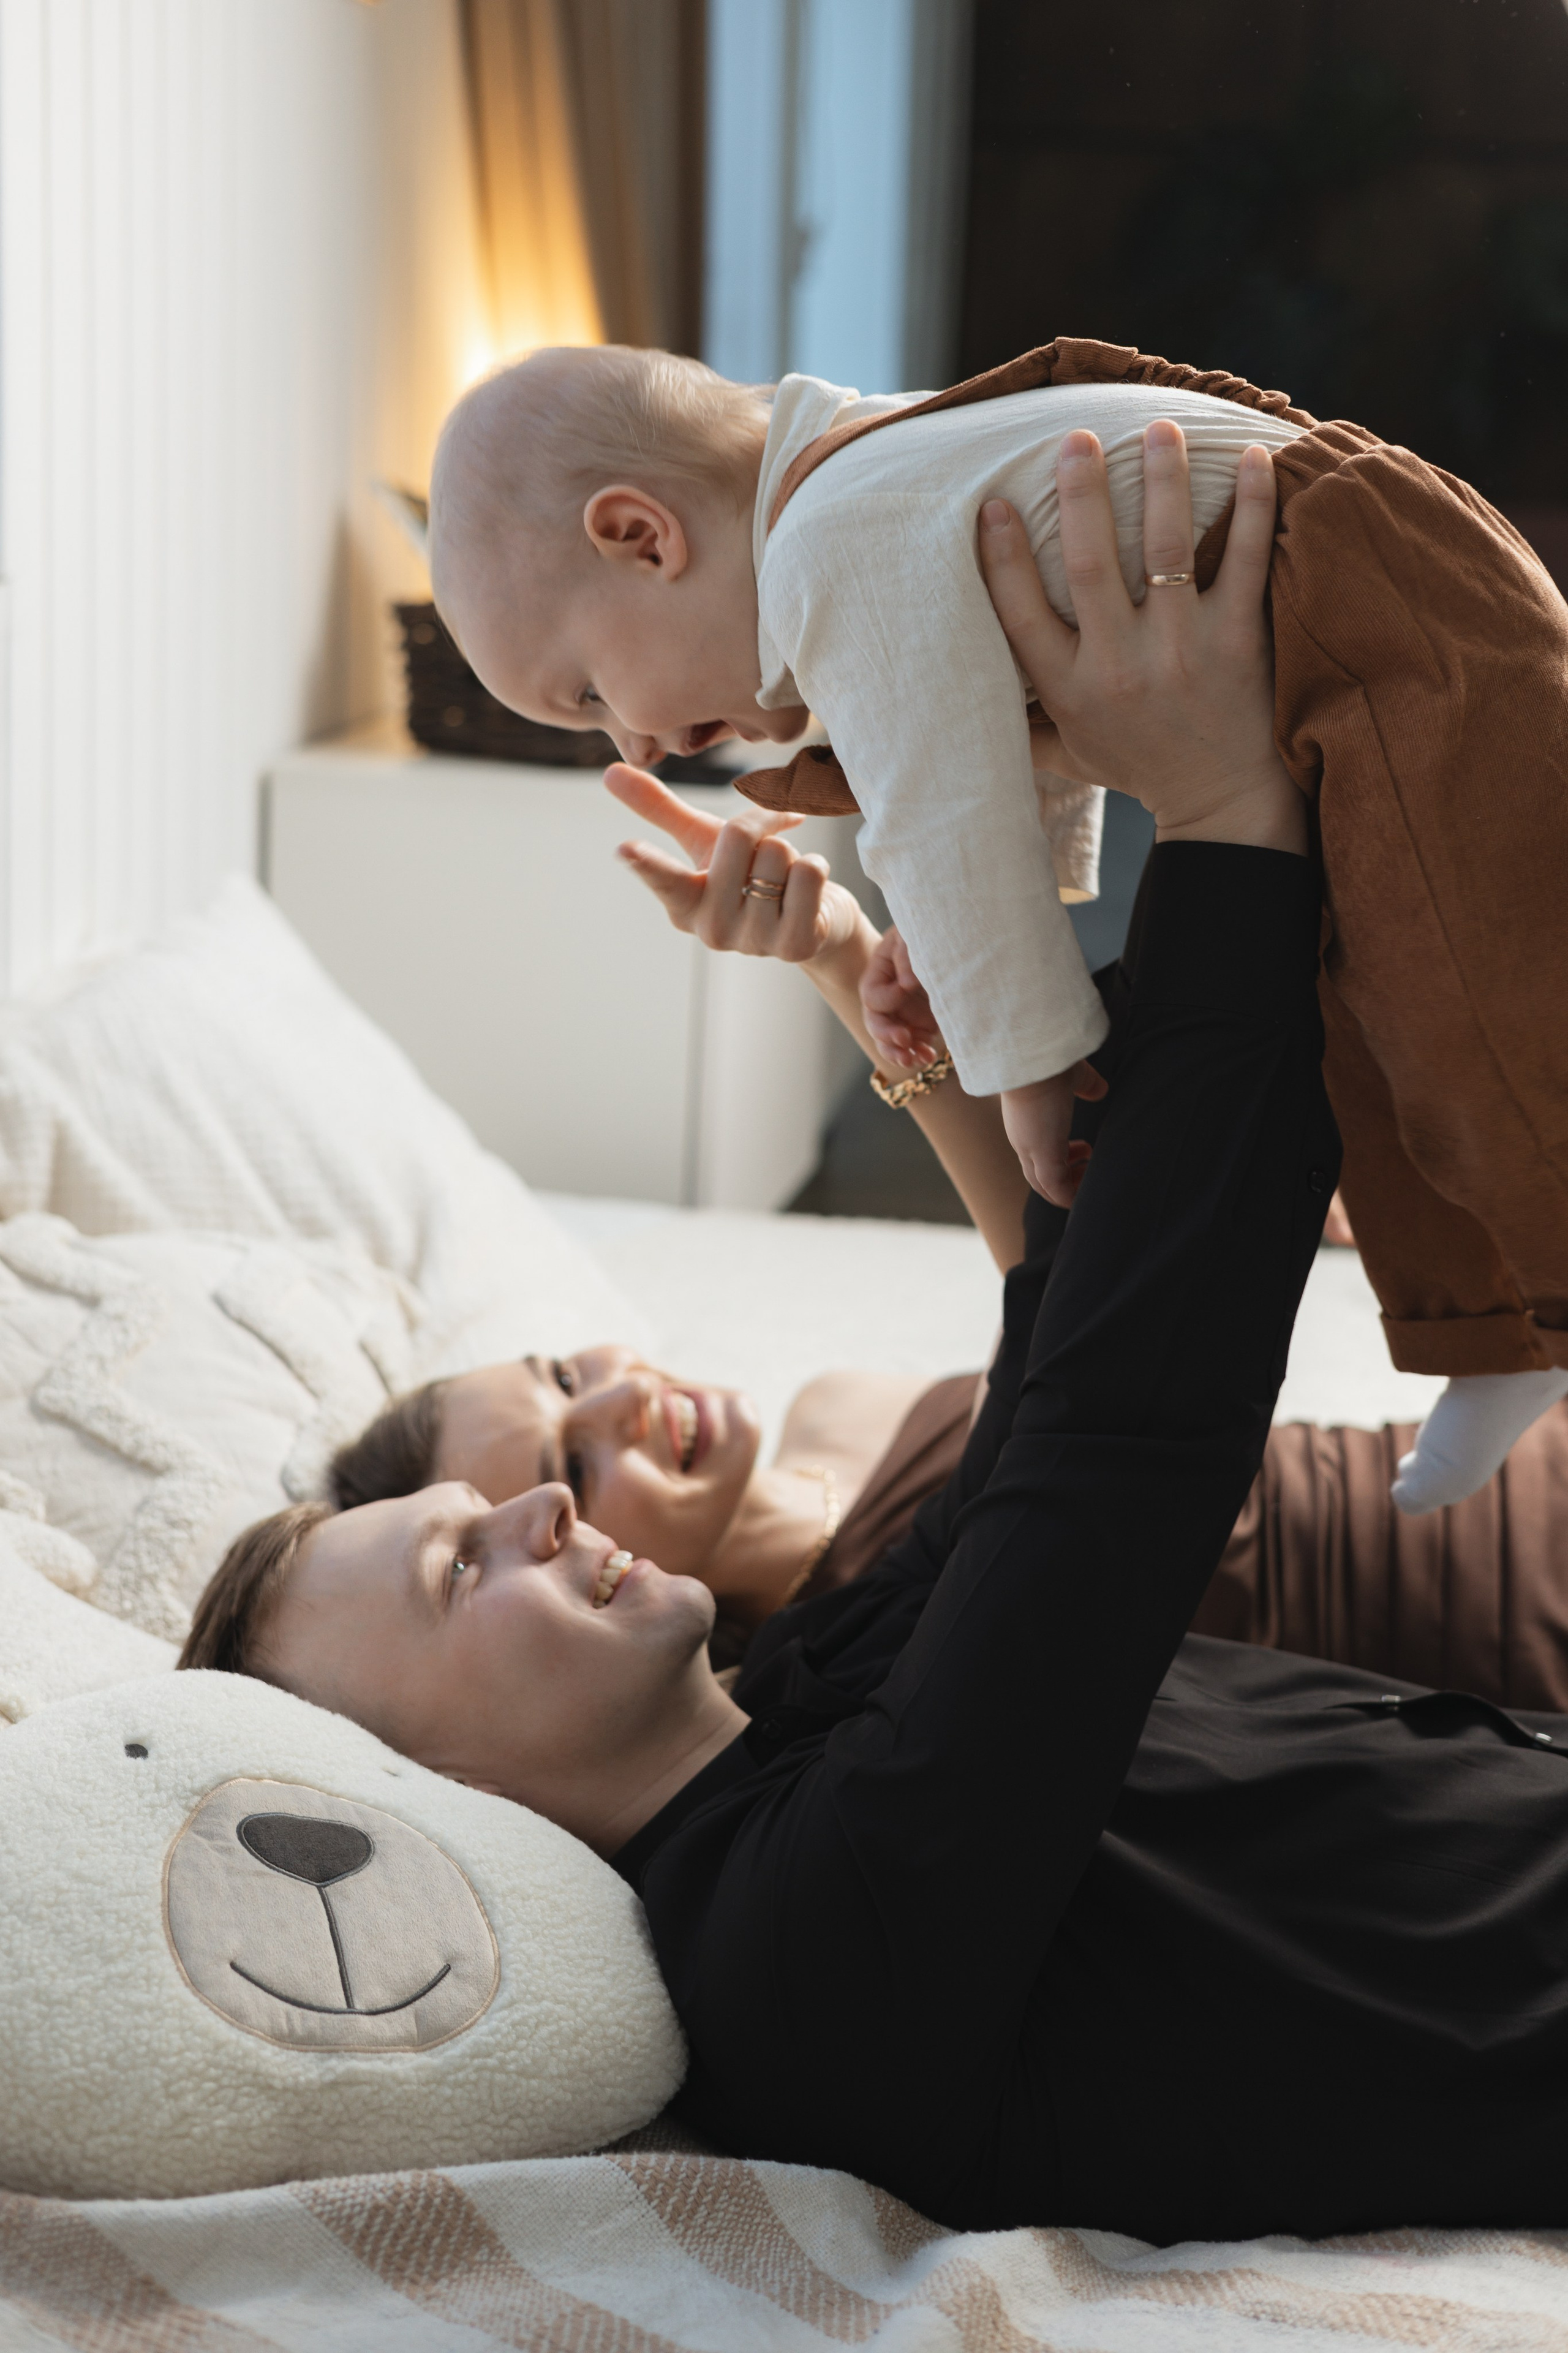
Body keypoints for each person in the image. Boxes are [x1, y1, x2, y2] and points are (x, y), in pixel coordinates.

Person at [183, 454, 1568, 2243]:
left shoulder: (809, 1694)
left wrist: (921, 936)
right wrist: (1224, 813)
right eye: (465, 1564)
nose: (538, 1516)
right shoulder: (789, 1964)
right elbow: (1108, 1463)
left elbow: (1059, 1343)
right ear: (435, 1797)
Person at [427, 336, 1568, 1518]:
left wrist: (1027, 1068)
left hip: (1380, 597)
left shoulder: (827, 542)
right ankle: (1495, 1337)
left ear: (640, 537)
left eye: (591, 694)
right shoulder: (869, 479)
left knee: (1478, 1007)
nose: (635, 746)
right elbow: (1007, 717)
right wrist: (966, 925)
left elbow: (940, 812)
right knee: (1369, 1012)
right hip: (1344, 610)